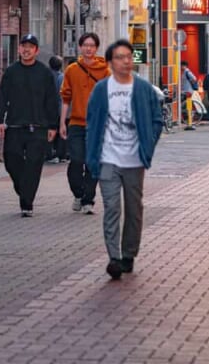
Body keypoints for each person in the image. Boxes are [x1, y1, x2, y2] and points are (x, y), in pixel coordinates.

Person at [85, 38, 163, 280]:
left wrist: (147, 146)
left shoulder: (142, 88)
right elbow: (92, 122)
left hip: (134, 160)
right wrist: (92, 156)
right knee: (112, 208)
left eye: (129, 56)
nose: (126, 61)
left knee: (134, 209)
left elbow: (157, 119)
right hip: (108, 158)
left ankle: (129, 254)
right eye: (120, 57)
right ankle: (114, 258)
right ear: (110, 62)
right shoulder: (101, 89)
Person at [0, 33, 58, 218]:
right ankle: (23, 189)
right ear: (19, 49)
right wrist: (0, 120)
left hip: (38, 126)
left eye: (30, 47)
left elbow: (51, 101)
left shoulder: (45, 73)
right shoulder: (11, 72)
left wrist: (53, 126)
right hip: (15, 125)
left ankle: (27, 202)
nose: (26, 49)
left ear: (36, 51)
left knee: (33, 164)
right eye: (24, 46)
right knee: (11, 160)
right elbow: (3, 97)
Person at [59, 32, 110, 214]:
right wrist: (62, 123)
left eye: (92, 45)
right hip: (76, 123)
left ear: (96, 48)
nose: (88, 48)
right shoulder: (72, 70)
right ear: (80, 47)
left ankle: (88, 200)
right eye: (85, 45)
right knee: (76, 160)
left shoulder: (105, 71)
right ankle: (78, 193)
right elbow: (66, 98)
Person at [46, 55, 67, 163]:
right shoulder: (61, 77)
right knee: (60, 131)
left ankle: (48, 154)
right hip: (58, 108)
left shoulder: (45, 75)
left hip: (45, 108)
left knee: (48, 130)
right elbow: (62, 95)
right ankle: (60, 154)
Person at [180, 60, 198, 129]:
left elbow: (194, 78)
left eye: (181, 65)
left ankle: (189, 122)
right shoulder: (184, 72)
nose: (181, 67)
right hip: (186, 91)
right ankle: (188, 121)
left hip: (188, 91)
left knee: (188, 107)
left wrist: (190, 84)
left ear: (184, 66)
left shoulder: (187, 72)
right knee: (186, 106)